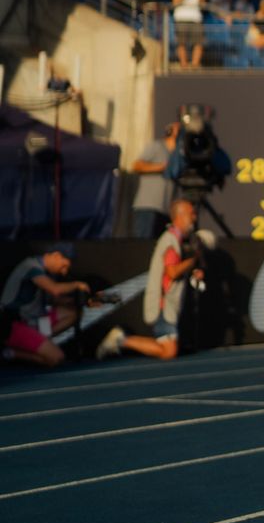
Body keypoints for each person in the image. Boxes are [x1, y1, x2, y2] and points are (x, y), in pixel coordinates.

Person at [97, 197, 205, 361]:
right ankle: (121, 340)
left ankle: (121, 340)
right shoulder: (170, 241)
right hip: (162, 304)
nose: (194, 218)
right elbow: (172, 272)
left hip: (166, 304)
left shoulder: (175, 240)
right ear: (180, 216)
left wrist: (191, 272)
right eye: (191, 214)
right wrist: (193, 261)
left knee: (169, 348)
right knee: (169, 351)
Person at [0, 246, 92, 369]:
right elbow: (55, 290)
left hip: (34, 320)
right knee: (57, 358)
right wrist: (77, 284)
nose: (64, 272)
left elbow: (54, 300)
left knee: (72, 313)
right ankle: (10, 353)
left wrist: (86, 301)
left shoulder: (47, 272)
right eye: (64, 266)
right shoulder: (31, 267)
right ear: (56, 255)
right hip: (14, 324)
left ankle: (41, 340)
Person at [130, 121, 179, 239]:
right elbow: (136, 165)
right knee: (143, 242)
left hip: (165, 209)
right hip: (148, 207)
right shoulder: (157, 146)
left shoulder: (177, 155)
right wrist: (161, 167)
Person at [172, 0, 206, 69]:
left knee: (199, 42)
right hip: (181, 17)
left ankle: (195, 65)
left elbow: (203, 4)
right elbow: (175, 1)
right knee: (181, 42)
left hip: (196, 18)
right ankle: (184, 65)